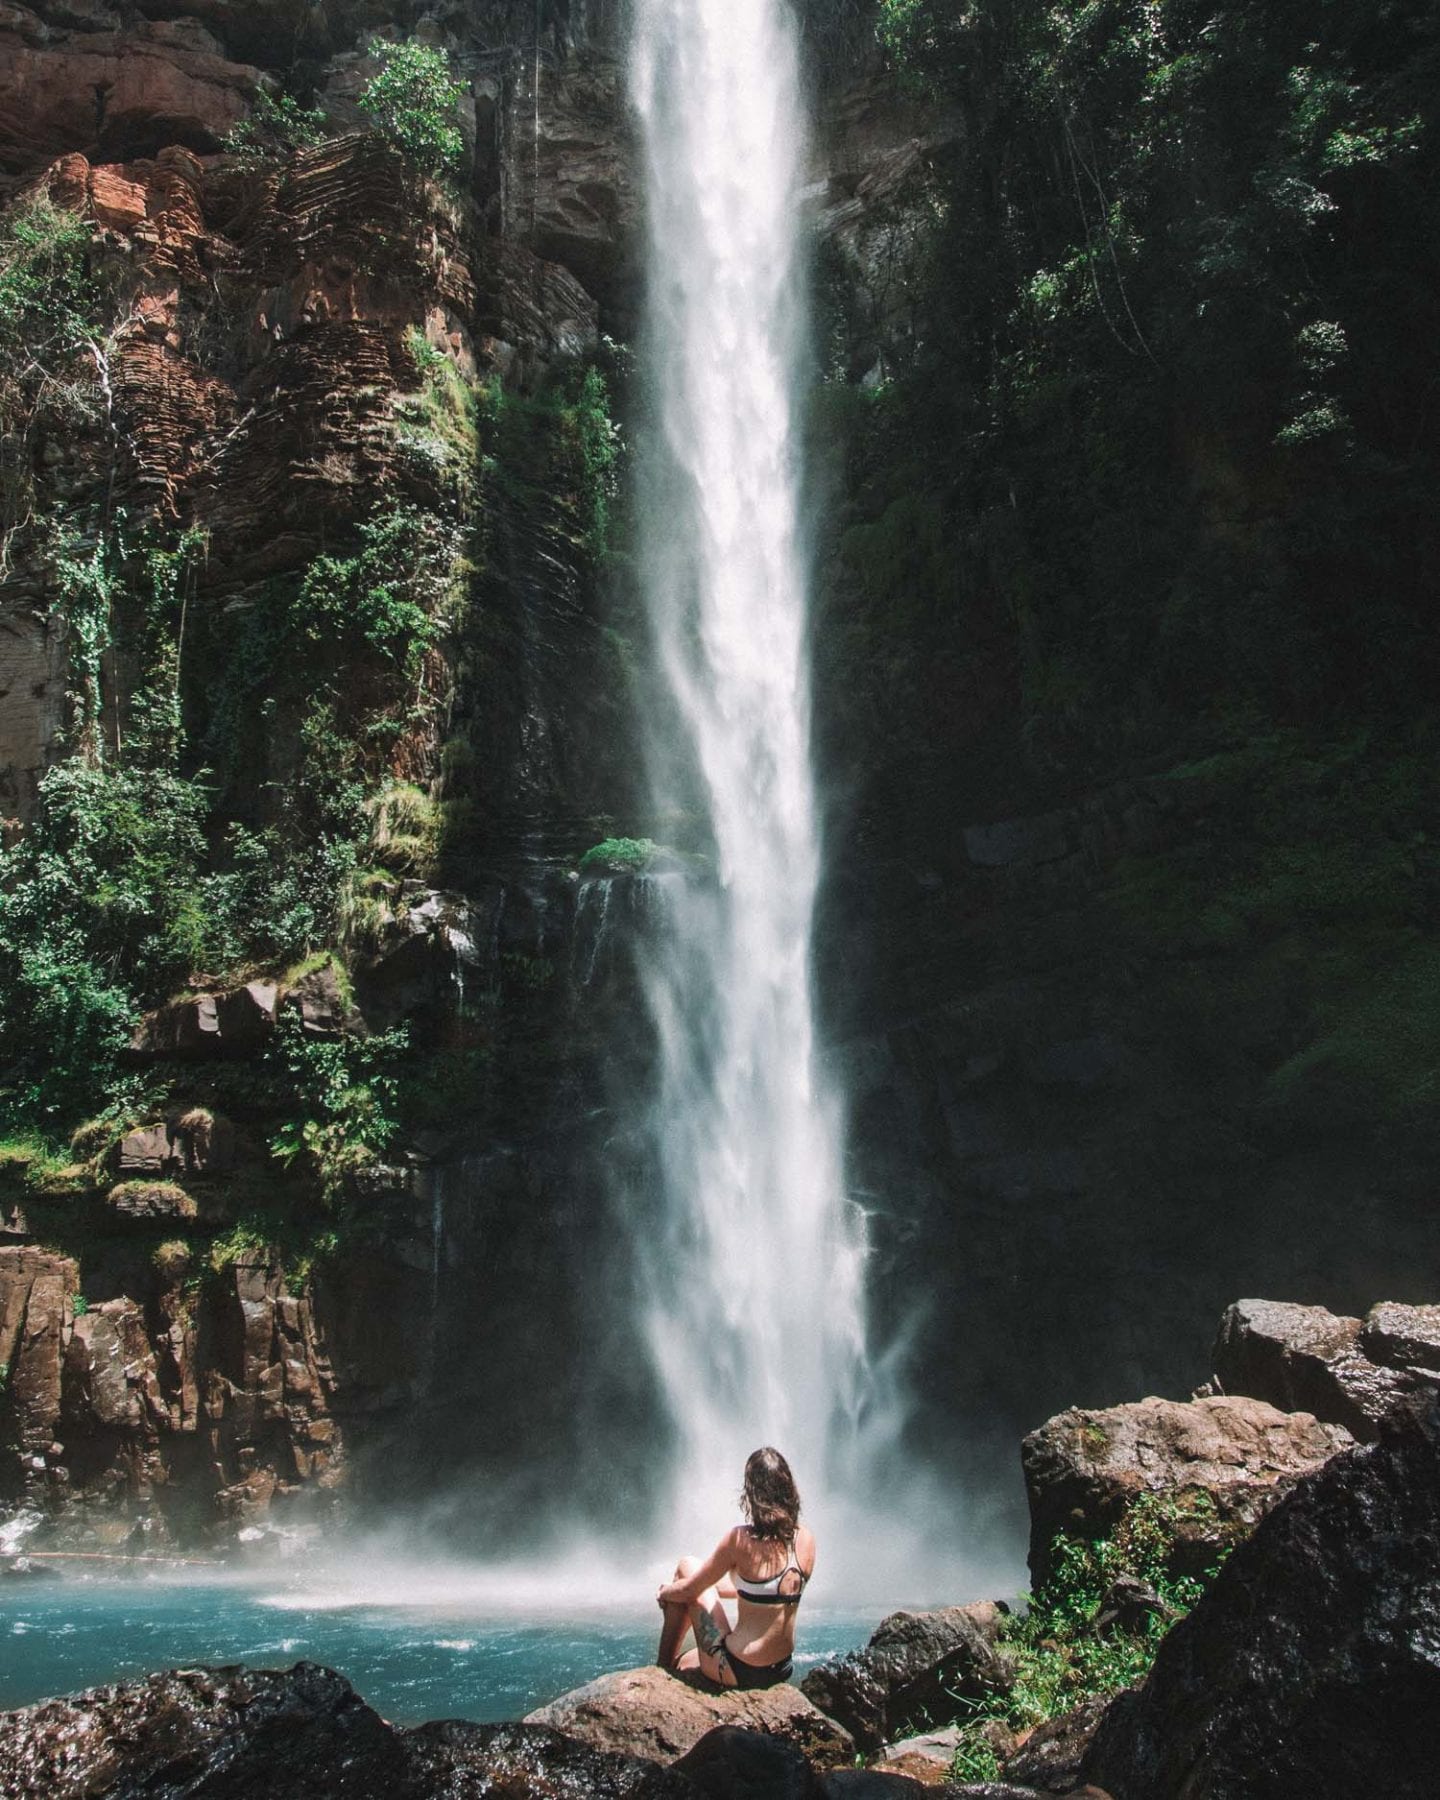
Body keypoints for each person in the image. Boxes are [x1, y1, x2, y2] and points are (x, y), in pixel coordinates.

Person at [655, 1446, 815, 1691]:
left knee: (686, 1566)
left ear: (751, 1494)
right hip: (781, 1669)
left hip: (740, 1671)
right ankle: (667, 1667)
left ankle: (659, 1671)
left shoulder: (739, 1540)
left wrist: (665, 1592)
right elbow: (765, 1590)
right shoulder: (805, 1541)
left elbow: (689, 1591)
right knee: (687, 1659)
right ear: (788, 1489)